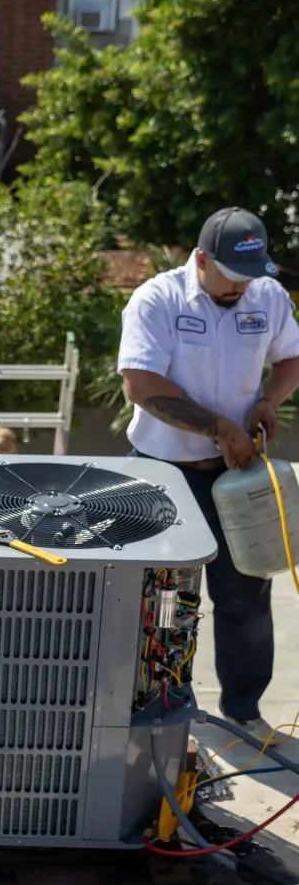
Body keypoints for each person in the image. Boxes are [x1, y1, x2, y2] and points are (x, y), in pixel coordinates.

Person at [118, 206, 299, 737]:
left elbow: (291, 357)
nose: (241, 288)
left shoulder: (265, 296)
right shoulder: (158, 299)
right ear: (202, 259)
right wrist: (219, 425)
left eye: (250, 276)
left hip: (237, 474)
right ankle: (163, 708)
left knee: (246, 593)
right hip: (165, 475)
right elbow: (141, 384)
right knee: (165, 597)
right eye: (231, 276)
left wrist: (269, 399)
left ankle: (242, 710)